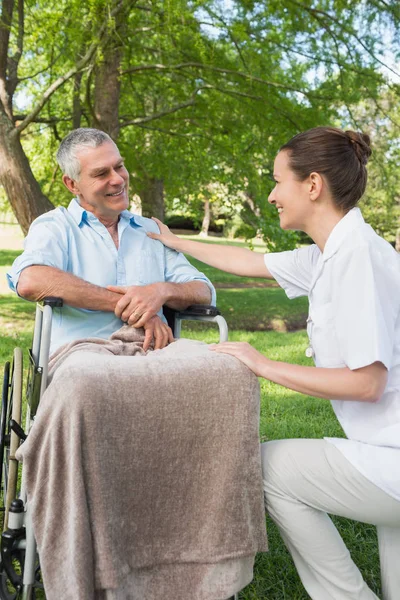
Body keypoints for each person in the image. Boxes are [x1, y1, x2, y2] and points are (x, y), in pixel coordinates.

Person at [147, 126, 400, 600]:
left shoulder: (358, 258)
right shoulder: (331, 251)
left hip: (393, 457)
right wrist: (175, 243)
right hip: (383, 447)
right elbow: (249, 262)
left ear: (312, 185)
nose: (271, 194)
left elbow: (368, 383)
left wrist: (260, 362)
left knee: (269, 466)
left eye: (278, 180)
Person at [7, 128, 215, 354]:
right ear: (72, 184)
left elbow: (204, 292)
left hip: (154, 355)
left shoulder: (151, 230)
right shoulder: (55, 227)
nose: (117, 179)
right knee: (90, 382)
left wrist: (161, 291)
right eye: (101, 174)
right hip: (81, 354)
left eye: (119, 166)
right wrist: (134, 308)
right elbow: (30, 280)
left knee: (231, 368)